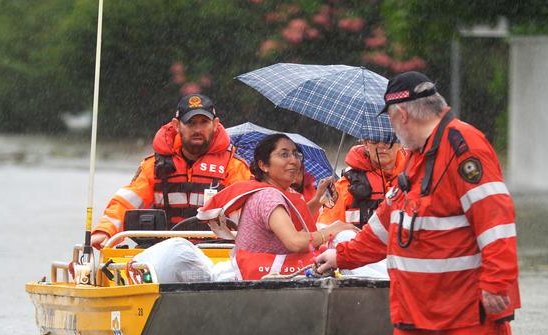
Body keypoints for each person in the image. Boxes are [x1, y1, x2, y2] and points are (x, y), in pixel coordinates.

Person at [316, 71, 520, 335]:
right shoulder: (416, 158)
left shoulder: (464, 148)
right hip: (414, 319)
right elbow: (387, 222)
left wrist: (497, 287)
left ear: (402, 116)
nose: (391, 134)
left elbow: (496, 224)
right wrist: (341, 257)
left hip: (466, 318)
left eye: (391, 124)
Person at [90, 93, 251, 249]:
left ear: (215, 125)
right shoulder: (154, 165)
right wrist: (104, 231)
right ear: (176, 125)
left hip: (217, 252)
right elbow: (126, 202)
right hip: (163, 252)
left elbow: (247, 215)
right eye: (190, 123)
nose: (197, 129)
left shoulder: (234, 167)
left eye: (204, 122)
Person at [198, 133, 356, 280]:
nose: (294, 160)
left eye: (296, 154)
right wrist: (332, 230)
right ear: (263, 165)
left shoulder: (282, 191)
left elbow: (292, 220)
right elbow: (293, 241)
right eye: (284, 154)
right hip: (263, 280)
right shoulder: (268, 196)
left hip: (266, 274)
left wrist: (316, 200)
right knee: (344, 237)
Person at [318, 123, 406, 229]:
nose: (381, 145)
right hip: (357, 244)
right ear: (365, 143)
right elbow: (325, 229)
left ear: (400, 143)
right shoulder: (346, 184)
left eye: (388, 139)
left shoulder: (416, 179)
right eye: (375, 139)